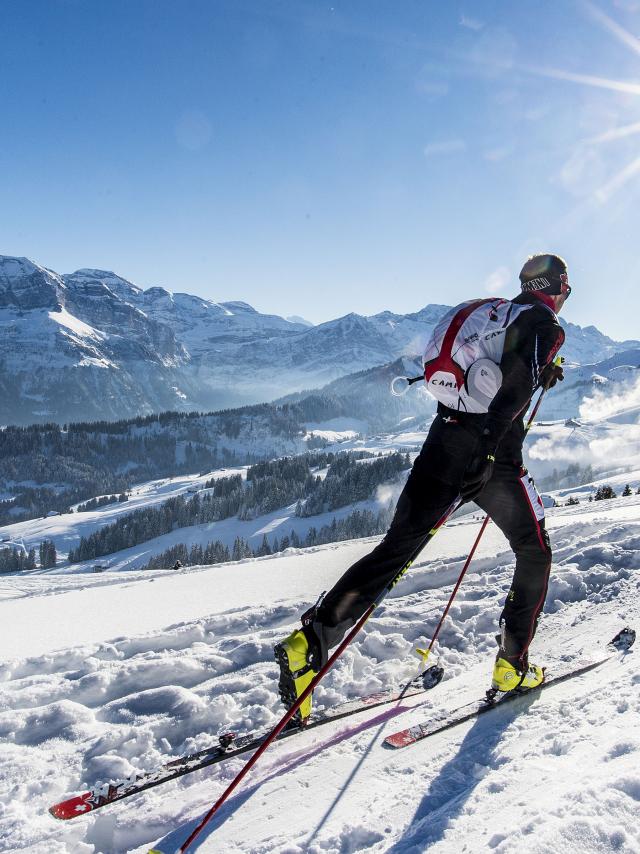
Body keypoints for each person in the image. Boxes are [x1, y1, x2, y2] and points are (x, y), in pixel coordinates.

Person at [274, 253, 569, 723]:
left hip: (444, 441)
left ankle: (307, 646)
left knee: (395, 550)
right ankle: (512, 667)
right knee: (534, 552)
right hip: (491, 460)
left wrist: (539, 374)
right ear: (557, 288)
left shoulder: (499, 314)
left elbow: (504, 370)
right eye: (566, 289)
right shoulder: (543, 323)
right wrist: (489, 450)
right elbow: (510, 387)